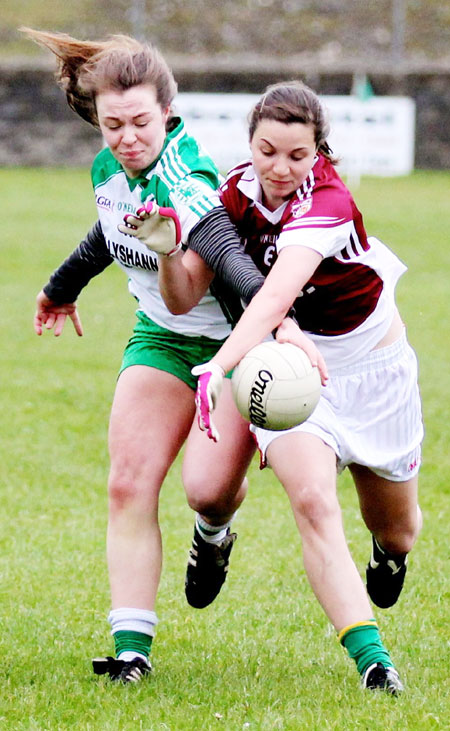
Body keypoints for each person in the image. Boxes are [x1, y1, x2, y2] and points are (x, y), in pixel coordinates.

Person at [146, 81, 424, 694]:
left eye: (297, 156)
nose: (280, 168)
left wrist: (218, 364)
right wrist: (169, 255)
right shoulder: (233, 192)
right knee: (300, 502)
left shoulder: (326, 198)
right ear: (250, 143)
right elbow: (188, 290)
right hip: (293, 370)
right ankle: (374, 662)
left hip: (373, 373)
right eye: (267, 151)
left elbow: (275, 292)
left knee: (398, 528)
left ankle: (389, 552)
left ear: (318, 153)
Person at [22, 27, 265, 684]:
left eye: (140, 123)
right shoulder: (111, 167)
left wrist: (279, 321)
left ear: (168, 110)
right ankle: (131, 651)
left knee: (209, 491)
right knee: (128, 482)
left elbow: (223, 252)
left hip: (230, 347)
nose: (127, 138)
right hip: (159, 338)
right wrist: (61, 286)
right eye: (113, 125)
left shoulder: (189, 178)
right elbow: (109, 232)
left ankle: (215, 531)